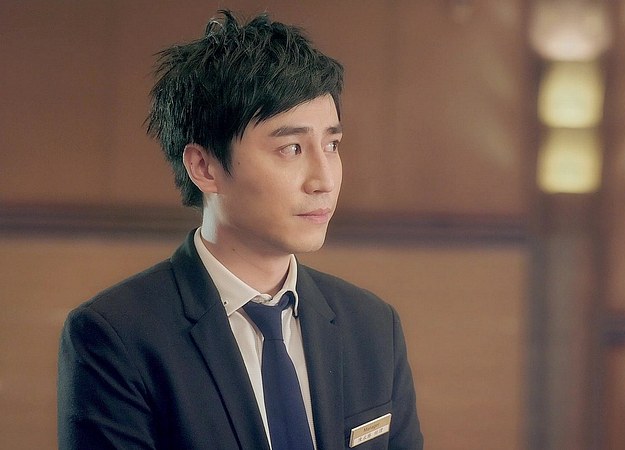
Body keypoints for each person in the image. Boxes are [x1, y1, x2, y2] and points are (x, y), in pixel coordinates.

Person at [57, 10, 423, 450]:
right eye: (291, 148)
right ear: (204, 167)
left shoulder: (372, 325)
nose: (324, 180)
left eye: (332, 145)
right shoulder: (117, 335)